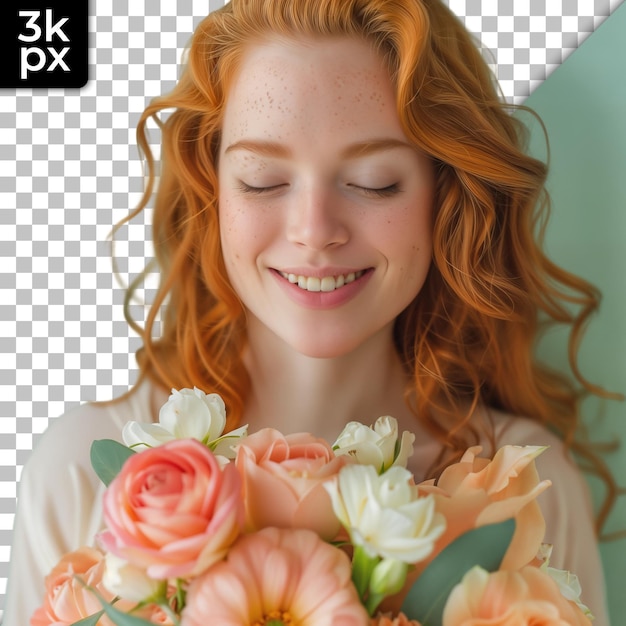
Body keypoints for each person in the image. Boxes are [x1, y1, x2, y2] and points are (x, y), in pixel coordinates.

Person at [5, 0, 618, 624]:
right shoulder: (85, 469)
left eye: (377, 180)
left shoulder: (523, 495)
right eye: (264, 179)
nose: (315, 231)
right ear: (211, 188)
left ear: (446, 193)